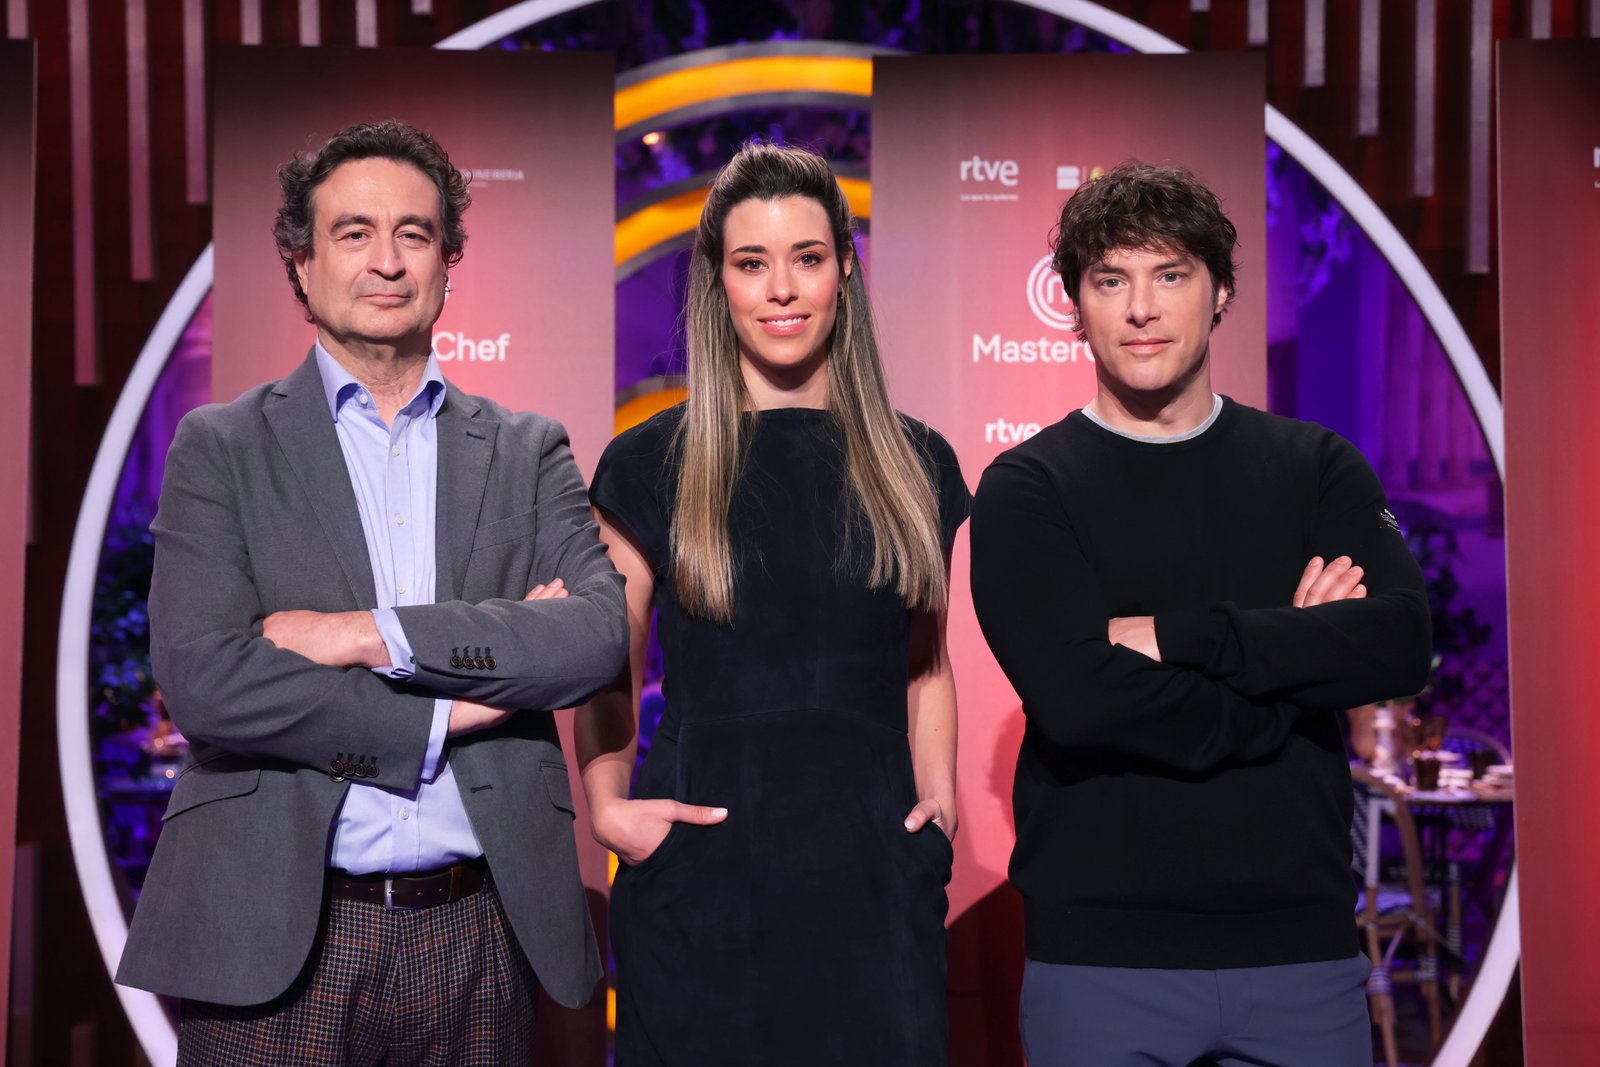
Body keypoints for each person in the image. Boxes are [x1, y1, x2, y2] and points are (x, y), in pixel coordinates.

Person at [116, 120, 627, 1065]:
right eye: (354, 233)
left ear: (447, 263)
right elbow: (205, 680)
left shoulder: (527, 449)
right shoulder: (220, 448)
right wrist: (445, 715)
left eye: (414, 234)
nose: (386, 261)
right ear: (302, 265)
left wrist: (362, 633)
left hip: (481, 931)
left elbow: (595, 636)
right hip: (276, 935)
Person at [969, 162, 1432, 1066]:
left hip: (1300, 952)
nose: (1142, 308)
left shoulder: (1315, 466)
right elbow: (1081, 700)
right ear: (1076, 306)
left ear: (1221, 291)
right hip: (1103, 959)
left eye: (1170, 274)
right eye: (1112, 280)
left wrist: (1179, 637)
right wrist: (1295, 669)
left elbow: (1399, 642)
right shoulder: (1027, 488)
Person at [575, 141, 969, 1066]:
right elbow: (604, 662)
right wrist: (608, 808)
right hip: (702, 880)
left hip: (875, 882)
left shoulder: (918, 462)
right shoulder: (648, 462)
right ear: (719, 284)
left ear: (845, 272)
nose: (782, 289)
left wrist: (940, 807)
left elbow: (927, 666)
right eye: (752, 263)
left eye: (807, 258)